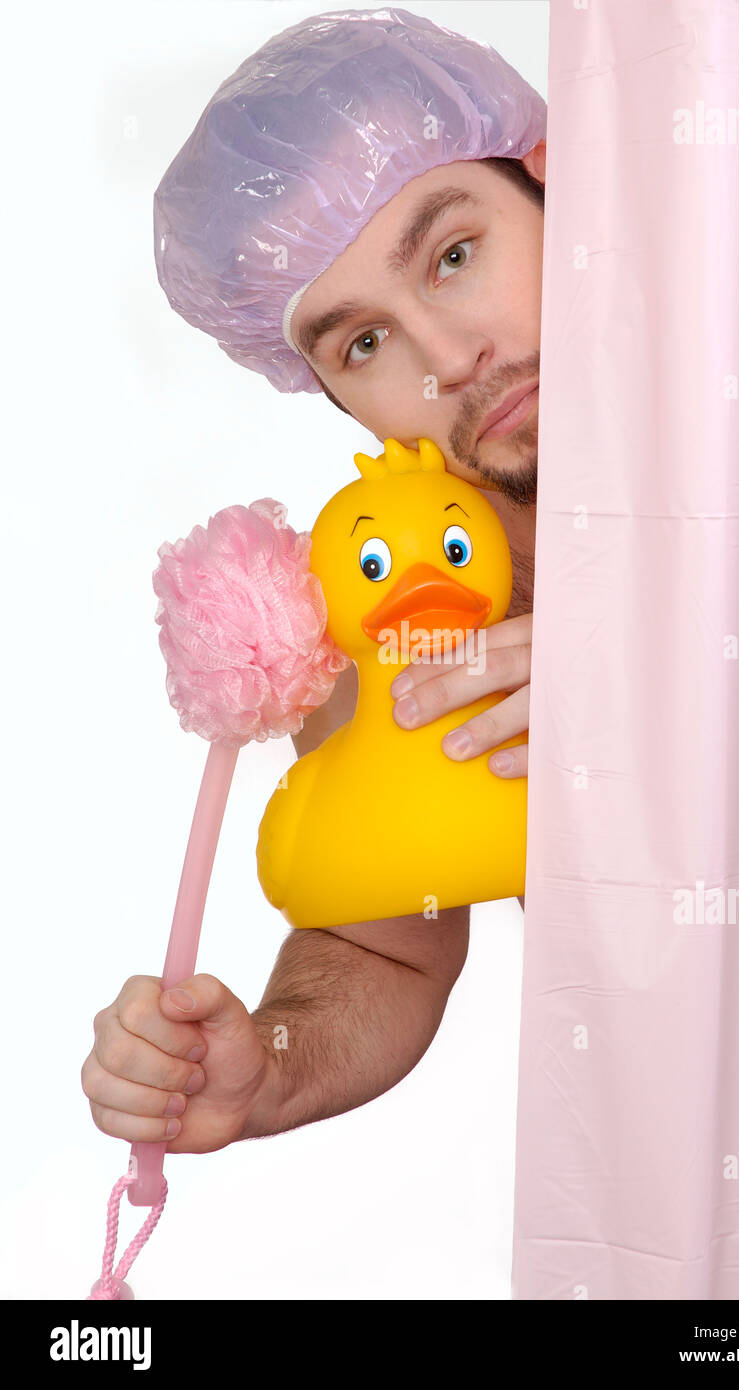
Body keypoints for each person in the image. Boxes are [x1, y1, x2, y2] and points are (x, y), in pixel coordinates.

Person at [81, 7, 545, 1156]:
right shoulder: (407, 611)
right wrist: (266, 1072)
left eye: (452, 254)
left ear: (557, 185)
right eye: (365, 346)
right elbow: (390, 942)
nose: (446, 360)